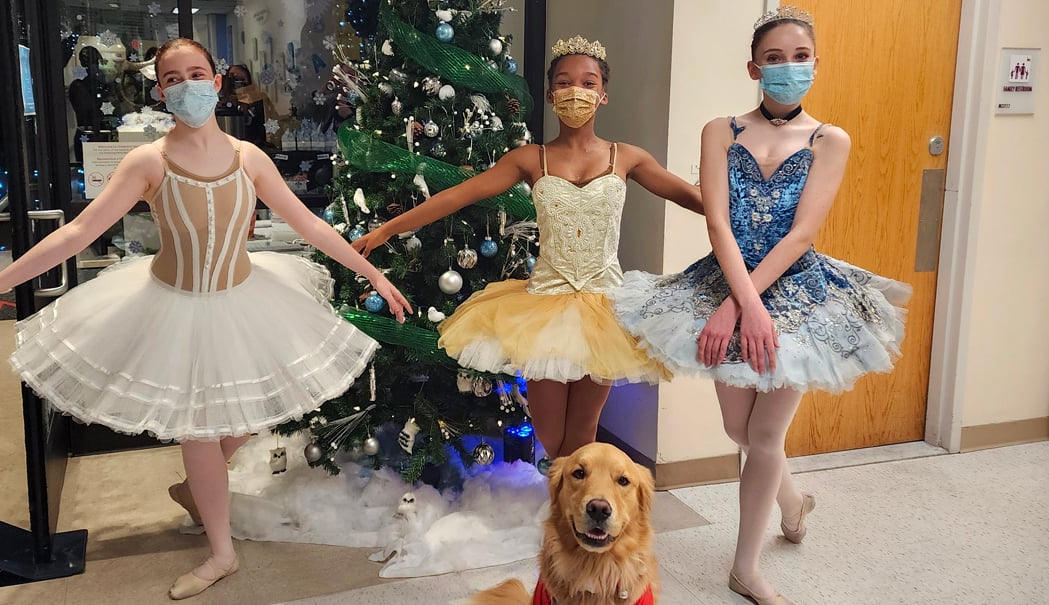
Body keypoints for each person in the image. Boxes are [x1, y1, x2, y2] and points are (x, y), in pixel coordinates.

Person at [0, 38, 410, 600]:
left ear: (217, 82)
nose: (187, 85)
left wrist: (373, 274)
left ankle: (199, 489)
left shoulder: (250, 158)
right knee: (200, 428)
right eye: (173, 79)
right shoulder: (148, 160)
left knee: (247, 414)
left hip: (245, 298)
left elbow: (312, 227)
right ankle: (221, 551)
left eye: (197, 73)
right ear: (160, 91)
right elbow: (78, 233)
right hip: (175, 304)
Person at [610, 8, 910, 604]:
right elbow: (717, 221)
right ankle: (794, 504)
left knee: (766, 435)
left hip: (801, 294)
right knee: (736, 427)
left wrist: (756, 307)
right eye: (774, 58)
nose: (788, 68)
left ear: (816, 64)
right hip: (723, 283)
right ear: (754, 66)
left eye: (800, 57)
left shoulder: (831, 140)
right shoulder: (721, 130)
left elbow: (801, 235)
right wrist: (735, 305)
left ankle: (745, 567)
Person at [352, 36, 703, 465]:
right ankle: (565, 513)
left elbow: (696, 198)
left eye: (588, 82)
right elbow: (458, 196)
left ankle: (571, 529)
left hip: (608, 306)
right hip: (545, 306)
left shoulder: (626, 157)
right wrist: (388, 229)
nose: (577, 91)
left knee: (584, 436)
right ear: (552, 94)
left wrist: (757, 216)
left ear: (603, 94)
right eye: (564, 81)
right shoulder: (530, 158)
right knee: (554, 440)